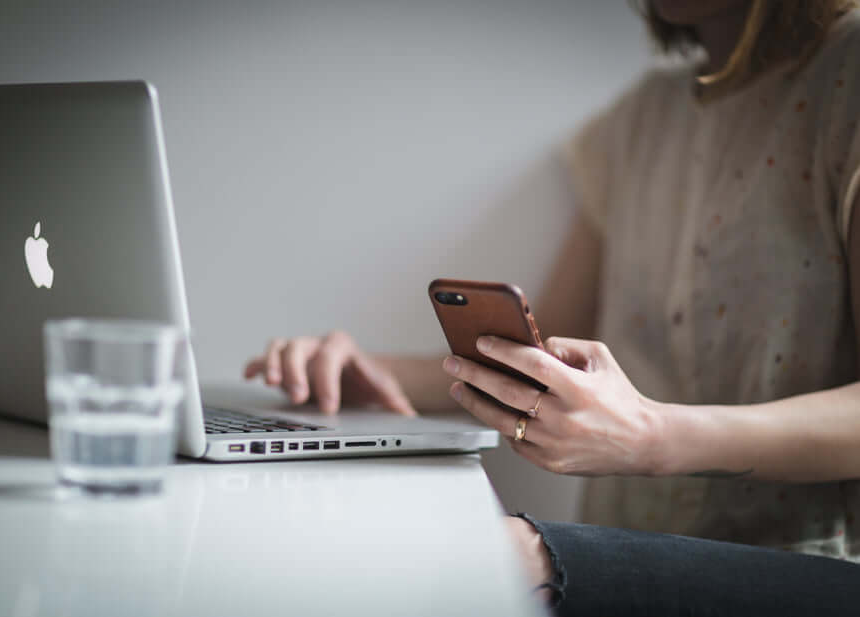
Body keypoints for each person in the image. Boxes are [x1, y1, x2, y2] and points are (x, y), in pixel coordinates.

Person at [244, 0, 860, 614]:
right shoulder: (640, 119)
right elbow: (541, 355)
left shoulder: (848, 74)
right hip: (641, 543)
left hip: (811, 563)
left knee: (489, 555)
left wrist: (653, 436)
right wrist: (364, 368)